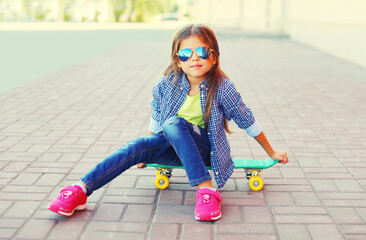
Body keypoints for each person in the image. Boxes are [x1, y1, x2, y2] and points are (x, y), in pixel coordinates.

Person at [48, 24, 289, 221]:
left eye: (202, 52)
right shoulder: (167, 84)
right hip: (171, 146)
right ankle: (80, 189)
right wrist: (147, 150)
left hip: (204, 150)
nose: (195, 58)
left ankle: (207, 189)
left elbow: (247, 120)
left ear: (214, 57)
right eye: (186, 54)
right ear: (178, 60)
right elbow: (156, 115)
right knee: (136, 146)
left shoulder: (223, 88)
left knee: (174, 123)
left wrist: (270, 151)